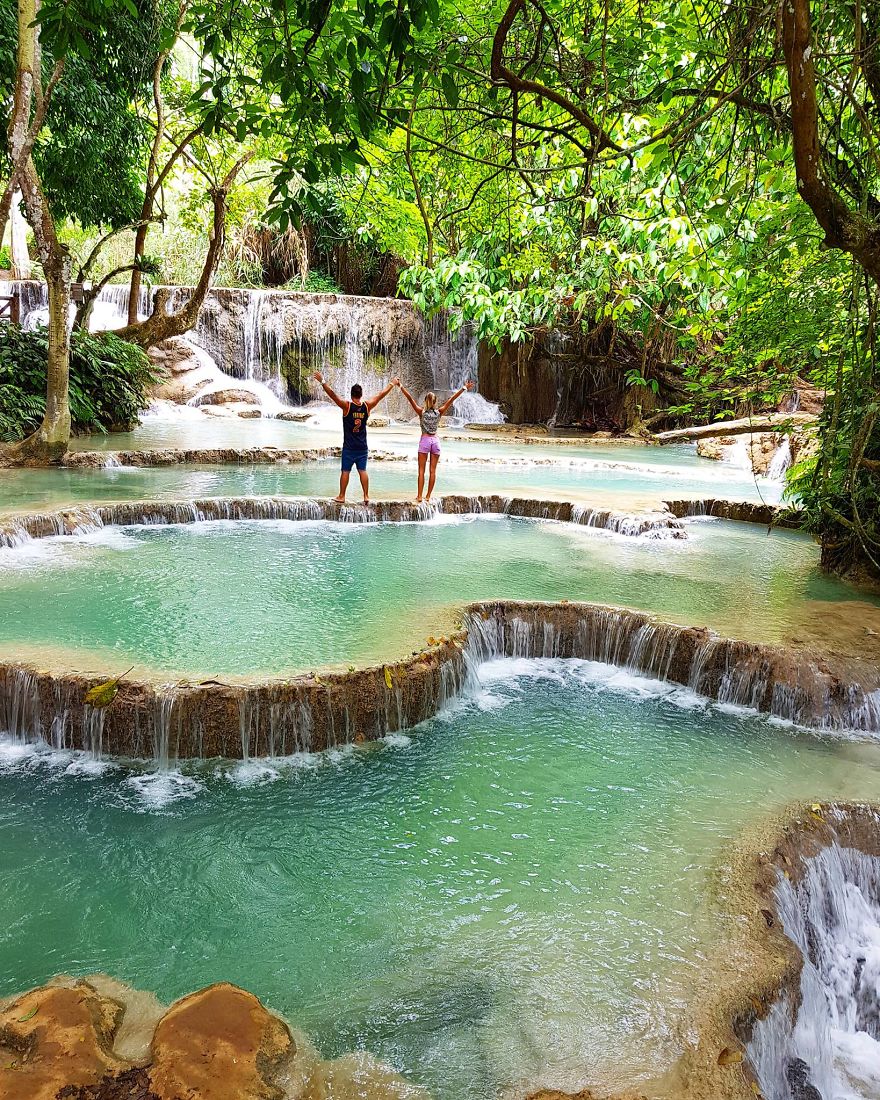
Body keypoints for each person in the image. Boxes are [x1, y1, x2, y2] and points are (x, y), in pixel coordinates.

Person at [313, 371, 398, 504]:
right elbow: (380, 395)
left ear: (351, 394)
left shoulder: (347, 406)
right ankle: (366, 496)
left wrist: (323, 381)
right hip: (362, 446)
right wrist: (392, 383)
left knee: (345, 471)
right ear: (361, 394)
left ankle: (341, 496)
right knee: (362, 470)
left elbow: (333, 395)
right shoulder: (367, 406)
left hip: (349, 447)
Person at [397, 379, 475, 502]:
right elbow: (451, 400)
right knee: (433, 471)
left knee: (421, 471)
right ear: (435, 402)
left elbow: (410, 399)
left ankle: (419, 496)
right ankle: (428, 496)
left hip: (425, 441)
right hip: (435, 442)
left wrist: (401, 386)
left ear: (425, 402)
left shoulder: (421, 412)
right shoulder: (439, 412)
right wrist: (464, 388)